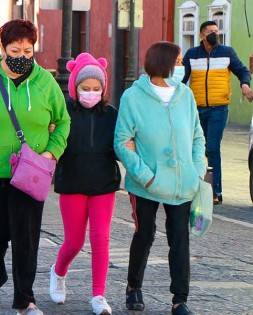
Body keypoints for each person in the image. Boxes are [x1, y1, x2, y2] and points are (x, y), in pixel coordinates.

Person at [0, 19, 70, 315]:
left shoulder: (45, 82)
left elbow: (63, 121)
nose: (22, 56)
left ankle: (25, 300)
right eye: (15, 50)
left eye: (28, 50)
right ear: (2, 49)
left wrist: (51, 154)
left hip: (31, 175)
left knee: (26, 238)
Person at [115, 42, 206, 315]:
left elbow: (197, 136)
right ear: (161, 63)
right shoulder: (133, 98)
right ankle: (134, 287)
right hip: (147, 185)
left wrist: (196, 169)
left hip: (182, 183)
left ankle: (180, 298)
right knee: (145, 234)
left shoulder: (185, 95)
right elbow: (121, 141)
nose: (181, 67)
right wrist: (146, 176)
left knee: (180, 238)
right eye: (177, 62)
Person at [48, 53, 119, 315]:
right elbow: (52, 143)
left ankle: (99, 295)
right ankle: (58, 272)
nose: (91, 93)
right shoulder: (64, 114)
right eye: (85, 88)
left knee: (100, 238)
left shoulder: (111, 114)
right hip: (72, 183)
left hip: (104, 183)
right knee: (74, 242)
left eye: (96, 88)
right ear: (75, 88)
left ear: (103, 89)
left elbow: (121, 144)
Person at [182, 20, 253, 205]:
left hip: (218, 109)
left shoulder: (226, 53)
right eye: (210, 31)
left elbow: (242, 71)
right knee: (195, 149)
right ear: (201, 36)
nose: (215, 33)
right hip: (196, 109)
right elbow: (182, 79)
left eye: (216, 30)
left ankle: (215, 191)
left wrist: (245, 85)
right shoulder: (191, 55)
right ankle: (195, 186)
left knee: (212, 148)